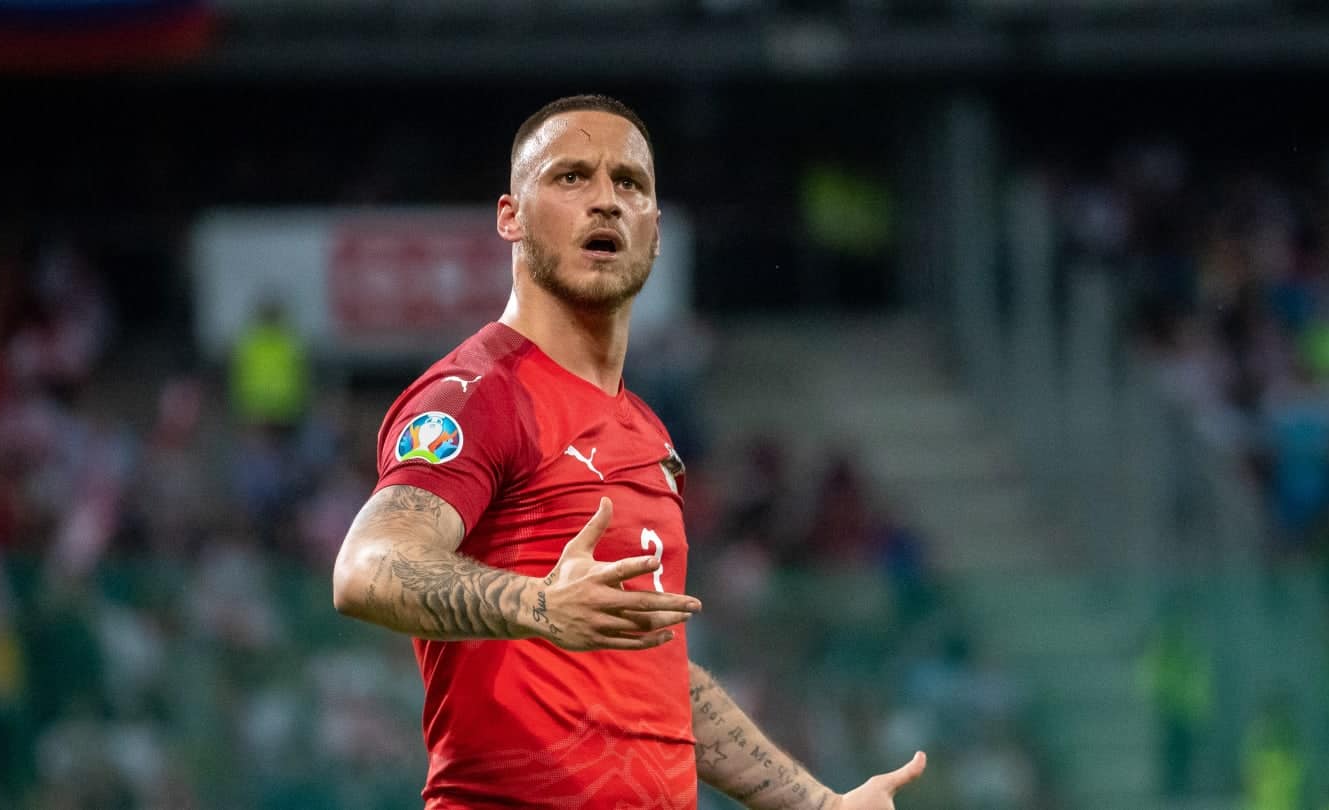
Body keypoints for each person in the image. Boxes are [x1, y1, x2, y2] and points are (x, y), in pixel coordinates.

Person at [331, 94, 926, 808]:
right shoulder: (479, 393)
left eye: (630, 183)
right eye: (571, 177)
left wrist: (819, 804)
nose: (606, 200)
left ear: (655, 230)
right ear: (510, 217)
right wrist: (538, 604)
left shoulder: (646, 432)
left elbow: (656, 670)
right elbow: (366, 568)